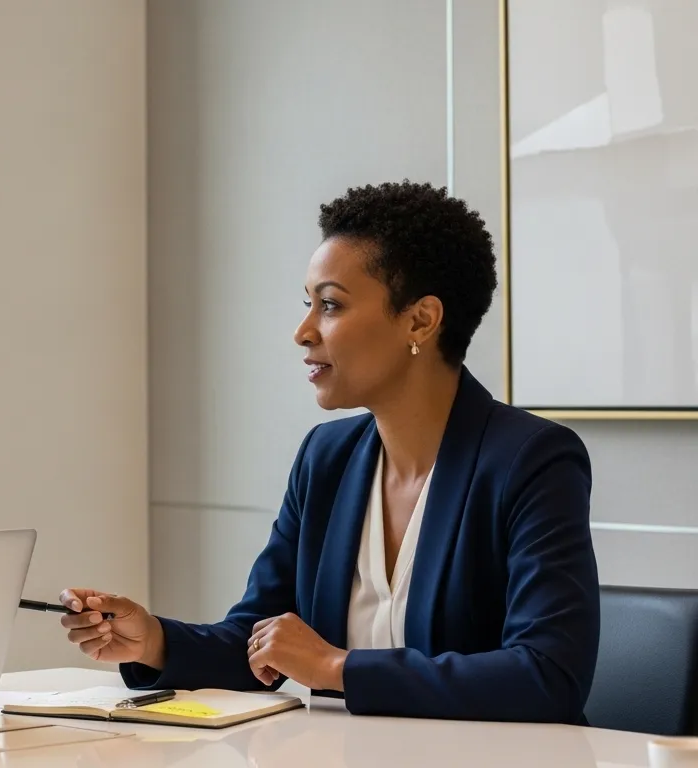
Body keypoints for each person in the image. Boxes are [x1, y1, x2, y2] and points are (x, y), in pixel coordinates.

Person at [60, 181, 600, 724]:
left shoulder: (531, 460)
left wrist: (338, 667)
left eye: (331, 305)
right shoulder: (327, 458)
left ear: (420, 320)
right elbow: (259, 647)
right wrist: (152, 640)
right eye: (308, 305)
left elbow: (547, 675)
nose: (303, 331)